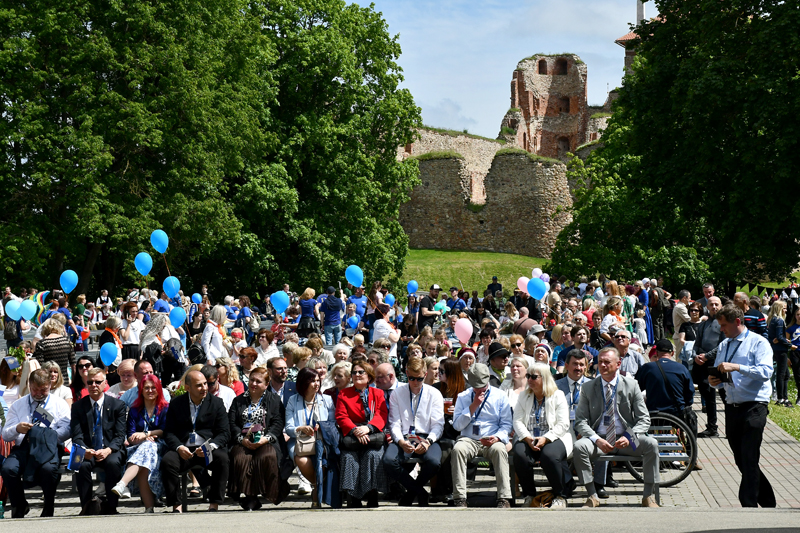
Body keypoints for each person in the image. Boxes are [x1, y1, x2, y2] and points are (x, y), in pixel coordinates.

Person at [573, 347, 660, 508]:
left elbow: (644, 419)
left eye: (607, 362)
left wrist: (629, 436)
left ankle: (648, 496)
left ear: (618, 363)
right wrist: (596, 439)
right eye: (600, 362)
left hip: (627, 436)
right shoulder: (588, 388)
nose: (603, 365)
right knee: (579, 447)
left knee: (651, 445)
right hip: (599, 439)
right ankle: (592, 495)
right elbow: (580, 421)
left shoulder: (631, 385)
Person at [708, 304, 776, 508]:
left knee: (749, 455)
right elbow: (720, 369)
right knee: (741, 459)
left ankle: (748, 504)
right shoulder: (725, 345)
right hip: (732, 406)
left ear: (737, 322)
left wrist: (738, 367)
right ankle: (767, 500)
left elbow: (766, 372)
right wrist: (715, 379)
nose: (721, 329)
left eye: (724, 325)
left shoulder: (758, 343)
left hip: (755, 405)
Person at [1, 369, 71, 518]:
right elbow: (6, 434)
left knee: (48, 469)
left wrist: (46, 436)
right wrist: (17, 428)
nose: (39, 393)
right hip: (23, 447)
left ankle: (48, 505)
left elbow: (67, 428)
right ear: (29, 385)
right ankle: (19, 504)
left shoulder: (59, 404)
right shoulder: (18, 405)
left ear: (50, 385)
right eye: (35, 390)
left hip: (49, 447)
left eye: (43, 390)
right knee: (8, 469)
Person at [161, 370, 231, 512]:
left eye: (205, 384)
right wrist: (179, 447)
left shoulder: (216, 403)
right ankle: (176, 505)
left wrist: (210, 447)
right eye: (199, 385)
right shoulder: (176, 404)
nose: (205, 388)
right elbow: (169, 432)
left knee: (222, 459)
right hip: (184, 450)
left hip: (206, 450)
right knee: (167, 462)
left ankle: (214, 503)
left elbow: (224, 433)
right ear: (188, 387)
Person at [383, 357, 445, 506]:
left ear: (425, 374)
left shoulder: (434, 393)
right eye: (411, 378)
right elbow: (394, 423)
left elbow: (438, 424)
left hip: (427, 436)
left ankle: (411, 493)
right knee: (388, 461)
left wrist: (428, 441)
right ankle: (420, 492)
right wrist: (401, 441)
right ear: (406, 373)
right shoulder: (397, 393)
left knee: (434, 462)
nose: (415, 383)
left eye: (419, 379)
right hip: (405, 436)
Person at [450, 363, 513, 508]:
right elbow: (457, 426)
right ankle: (459, 497)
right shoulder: (463, 396)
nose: (479, 389)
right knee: (458, 450)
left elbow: (506, 425)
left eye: (482, 386)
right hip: (469, 439)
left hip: (492, 438)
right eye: (476, 386)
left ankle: (504, 497)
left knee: (499, 450)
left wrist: (497, 437)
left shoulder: (500, 396)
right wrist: (472, 407)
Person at [513, 362, 573, 509]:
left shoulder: (557, 395)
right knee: (520, 454)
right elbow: (518, 421)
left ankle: (560, 496)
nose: (529, 380)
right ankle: (529, 495)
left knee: (549, 455)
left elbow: (563, 424)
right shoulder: (524, 396)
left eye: (534, 377)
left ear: (544, 378)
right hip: (529, 436)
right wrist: (527, 438)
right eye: (528, 376)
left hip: (555, 436)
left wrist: (546, 439)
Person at [228, 367, 289, 510]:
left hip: (267, 440)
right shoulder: (238, 401)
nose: (253, 383)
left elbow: (278, 423)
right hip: (243, 440)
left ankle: (269, 493)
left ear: (266, 385)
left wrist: (265, 439)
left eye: (258, 381)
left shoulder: (274, 400)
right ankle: (250, 497)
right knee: (240, 458)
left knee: (266, 456)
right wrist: (241, 439)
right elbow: (231, 423)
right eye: (251, 380)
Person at [70, 368, 128, 515]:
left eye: (98, 382)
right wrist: (85, 450)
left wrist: (108, 450)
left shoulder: (117, 405)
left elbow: (120, 435)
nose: (93, 385)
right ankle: (86, 507)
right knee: (79, 463)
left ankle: (112, 506)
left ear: (105, 384)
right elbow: (76, 435)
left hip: (110, 449)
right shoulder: (78, 407)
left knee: (113, 463)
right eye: (90, 382)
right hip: (88, 449)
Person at [111, 374, 169, 513]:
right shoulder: (135, 410)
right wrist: (139, 438)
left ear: (159, 389)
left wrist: (147, 434)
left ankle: (123, 483)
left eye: (153, 388)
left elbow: (165, 430)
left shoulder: (165, 408)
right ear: (141, 390)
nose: (150, 391)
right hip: (137, 448)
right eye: (146, 388)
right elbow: (130, 436)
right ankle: (149, 508)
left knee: (148, 448)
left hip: (161, 446)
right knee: (144, 458)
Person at [335, 361, 388, 507]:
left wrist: (368, 428)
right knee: (349, 457)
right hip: (352, 435)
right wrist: (355, 430)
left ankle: (372, 494)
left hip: (372, 435)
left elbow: (382, 413)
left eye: (360, 372)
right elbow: (341, 416)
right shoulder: (344, 394)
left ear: (369, 376)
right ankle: (353, 497)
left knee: (372, 455)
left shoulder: (378, 393)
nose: (357, 375)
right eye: (354, 372)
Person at [286, 367, 338, 508]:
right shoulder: (293, 400)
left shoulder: (326, 400)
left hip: (322, 439)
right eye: (312, 381)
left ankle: (318, 490)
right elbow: (289, 427)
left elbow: (333, 423)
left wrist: (322, 426)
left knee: (322, 461)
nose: (317, 384)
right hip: (299, 440)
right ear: (303, 383)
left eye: (318, 381)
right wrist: (300, 428)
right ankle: (317, 485)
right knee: (301, 459)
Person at [692, 296, 725, 437]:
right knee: (708, 396)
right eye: (711, 304)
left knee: (725, 397)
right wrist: (695, 356)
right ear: (707, 307)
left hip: (718, 364)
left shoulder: (724, 323)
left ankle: (732, 428)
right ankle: (712, 427)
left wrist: (707, 356)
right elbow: (696, 343)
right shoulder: (704, 323)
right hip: (702, 364)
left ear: (721, 306)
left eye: (716, 304)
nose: (714, 307)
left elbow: (723, 345)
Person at [635, 339, 695, 418]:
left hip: (653, 412)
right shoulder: (682, 369)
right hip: (676, 413)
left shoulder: (647, 368)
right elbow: (690, 393)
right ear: (672, 353)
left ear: (656, 352)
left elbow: (636, 389)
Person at [31, 318, 75, 384]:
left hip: (48, 382)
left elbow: (41, 367)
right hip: (64, 381)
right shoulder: (66, 341)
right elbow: (73, 365)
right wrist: (74, 382)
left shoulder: (42, 344)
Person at [677, 301, 703, 368]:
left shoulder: (704, 324)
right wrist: (692, 344)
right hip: (688, 353)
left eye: (696, 310)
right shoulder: (684, 325)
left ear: (700, 312)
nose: (693, 312)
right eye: (691, 310)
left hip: (701, 354)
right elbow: (682, 340)